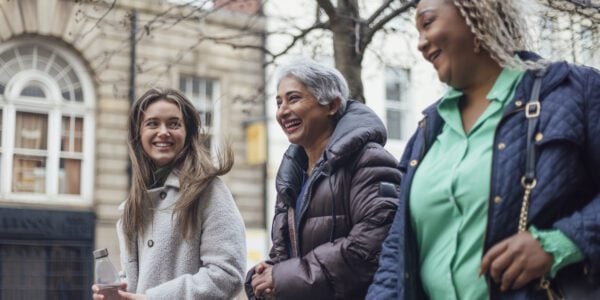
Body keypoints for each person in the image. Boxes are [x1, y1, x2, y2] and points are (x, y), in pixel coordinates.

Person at [367, 0, 600, 299]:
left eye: (428, 24)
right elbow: (397, 251)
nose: (421, 44)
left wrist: (562, 242)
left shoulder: (572, 91)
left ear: (477, 16)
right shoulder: (427, 130)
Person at [245, 60, 401, 300]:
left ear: (332, 105)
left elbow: (369, 248)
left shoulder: (369, 161)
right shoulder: (292, 175)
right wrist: (262, 277)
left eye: (293, 98)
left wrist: (282, 277)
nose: (282, 111)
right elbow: (284, 255)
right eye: (278, 102)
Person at [92, 88, 246, 299]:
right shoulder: (134, 202)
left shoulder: (209, 190)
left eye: (174, 124)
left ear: (188, 133)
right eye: (152, 123)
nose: (163, 132)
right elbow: (143, 279)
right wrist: (120, 291)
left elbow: (227, 275)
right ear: (139, 134)